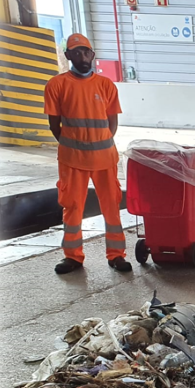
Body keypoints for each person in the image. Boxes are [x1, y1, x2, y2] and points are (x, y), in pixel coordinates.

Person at [44, 34, 131, 275]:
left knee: (111, 207)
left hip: (104, 159)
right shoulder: (56, 85)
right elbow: (54, 125)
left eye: (87, 52)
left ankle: (116, 256)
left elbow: (112, 123)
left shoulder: (106, 86)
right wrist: (73, 147)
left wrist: (100, 143)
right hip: (72, 161)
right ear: (68, 56)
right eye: (77, 52)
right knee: (72, 207)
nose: (83, 57)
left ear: (92, 55)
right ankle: (72, 257)